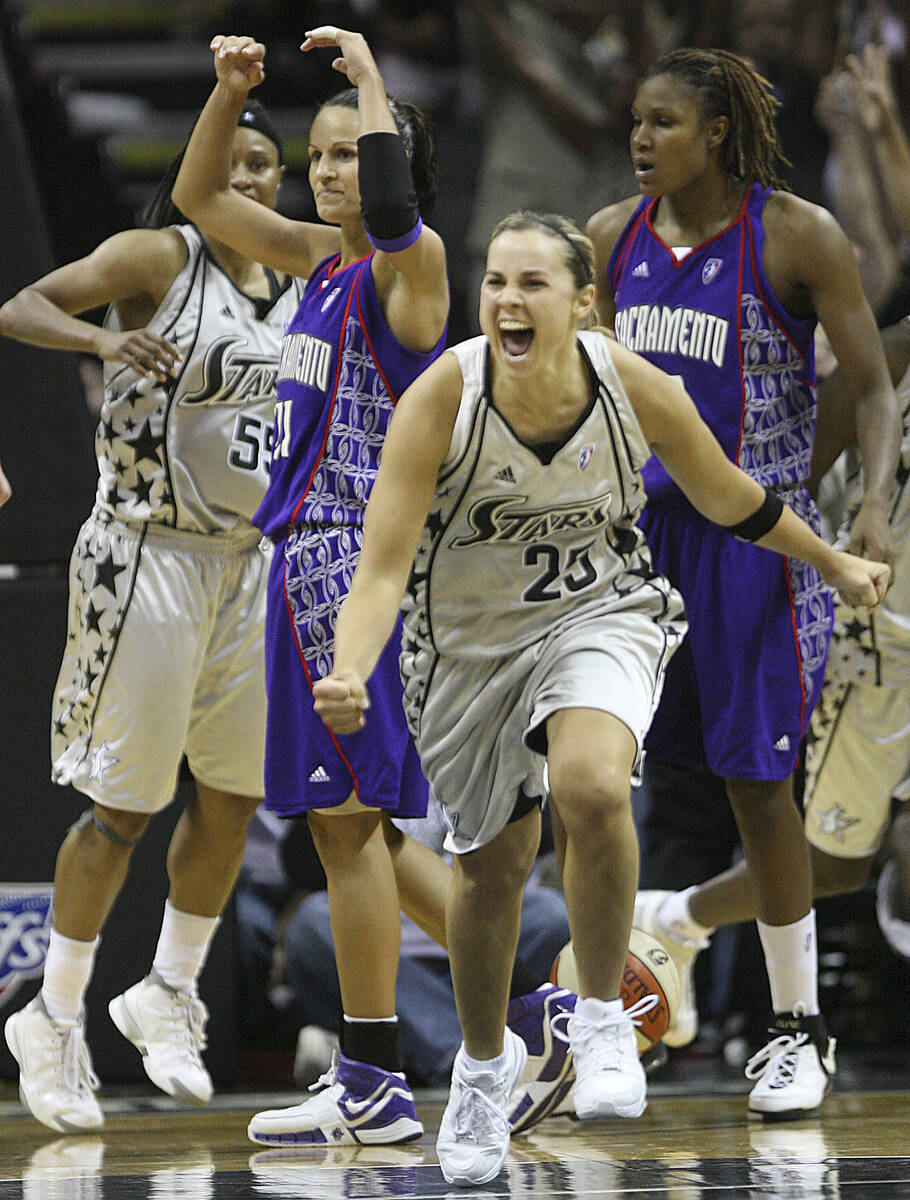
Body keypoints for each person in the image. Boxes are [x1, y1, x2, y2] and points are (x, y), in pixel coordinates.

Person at [310, 210, 889, 1185]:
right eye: (495, 281)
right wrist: (348, 666)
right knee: (493, 868)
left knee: (590, 787)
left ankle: (601, 1015)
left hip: (601, 614)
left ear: (583, 302)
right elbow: (379, 570)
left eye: (531, 283)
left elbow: (727, 495)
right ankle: (485, 1069)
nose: (506, 300)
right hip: (473, 639)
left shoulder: (630, 383)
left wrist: (830, 560)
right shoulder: (444, 395)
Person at [586, 46, 901, 1119]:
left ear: (715, 133)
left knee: (758, 787)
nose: (641, 139)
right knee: (600, 783)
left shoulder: (793, 233)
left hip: (755, 547)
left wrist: (863, 506)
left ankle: (792, 1029)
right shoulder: (604, 240)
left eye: (663, 122)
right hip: (636, 546)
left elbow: (873, 382)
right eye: (635, 121)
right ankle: (606, 1019)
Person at [0, 99, 305, 1132]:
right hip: (147, 554)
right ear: (202, 165)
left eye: (270, 165)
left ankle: (167, 992)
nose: (256, 178)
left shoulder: (299, 280)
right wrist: (101, 343)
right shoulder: (159, 258)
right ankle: (53, 1015)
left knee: (231, 798)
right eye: (239, 160)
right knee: (124, 809)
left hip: (250, 565)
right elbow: (18, 306)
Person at [171, 28, 453, 1147]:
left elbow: (391, 209)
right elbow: (198, 192)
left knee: (346, 831)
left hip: (359, 562)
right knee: (358, 835)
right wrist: (228, 91)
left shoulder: (410, 262)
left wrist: (373, 81)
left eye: (350, 153)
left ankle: (375, 1079)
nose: (330, 170)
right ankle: (532, 1004)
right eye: (318, 155)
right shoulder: (318, 263)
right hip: (304, 563)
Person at [637, 312, 910, 1032]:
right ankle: (675, 917)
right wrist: (863, 518)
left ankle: (678, 920)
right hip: (883, 639)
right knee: (834, 859)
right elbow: (801, 472)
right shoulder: (894, 352)